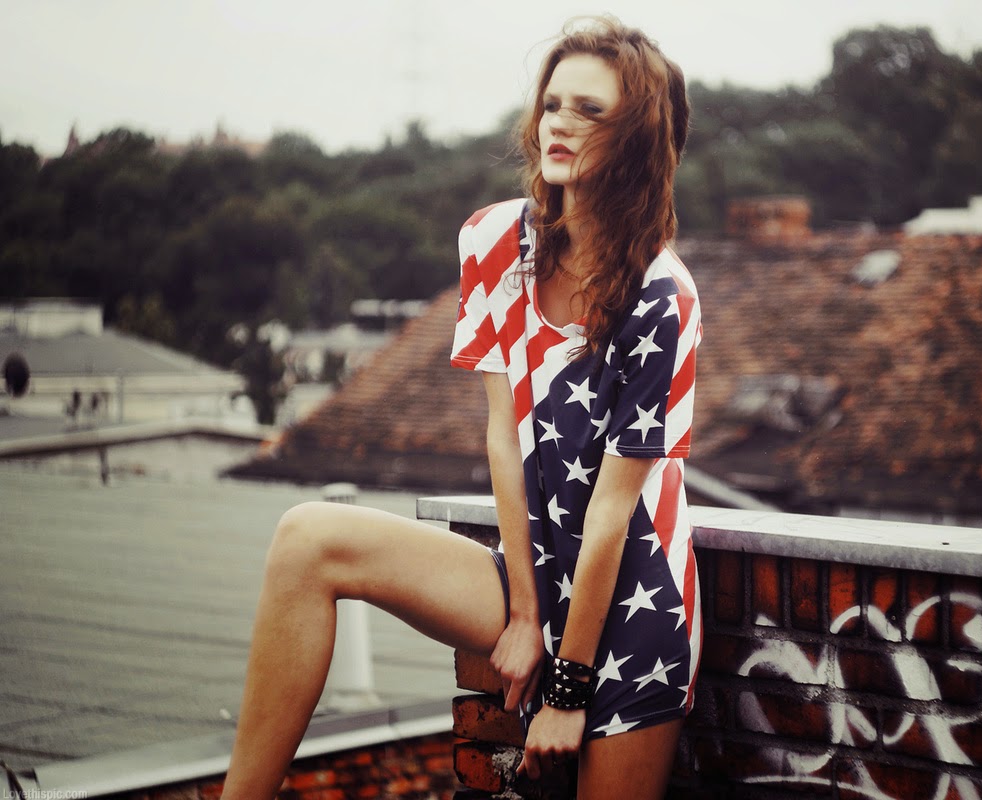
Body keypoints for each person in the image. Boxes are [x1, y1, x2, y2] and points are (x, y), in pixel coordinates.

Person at [220, 16, 699, 799]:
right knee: (308, 538)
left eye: (590, 111)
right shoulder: (495, 243)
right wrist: (524, 612)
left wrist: (569, 687)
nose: (560, 124)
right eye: (553, 104)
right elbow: (504, 437)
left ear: (636, 140)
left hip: (633, 612)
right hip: (532, 571)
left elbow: (614, 512)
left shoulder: (661, 296)